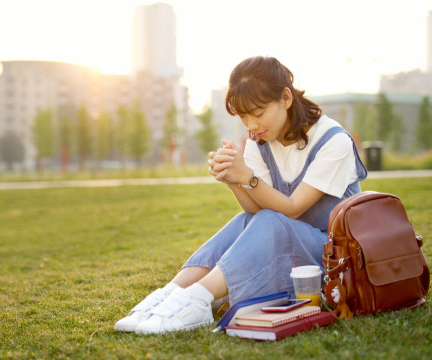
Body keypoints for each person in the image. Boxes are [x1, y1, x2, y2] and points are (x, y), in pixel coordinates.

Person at [114, 56, 367, 335]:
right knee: (244, 220)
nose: (252, 125)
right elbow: (257, 211)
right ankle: (171, 293)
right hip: (287, 249)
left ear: (285, 98)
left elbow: (292, 209)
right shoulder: (259, 142)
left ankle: (197, 299)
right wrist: (232, 179)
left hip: (330, 259)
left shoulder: (332, 141)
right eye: (243, 116)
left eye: (257, 113)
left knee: (273, 221)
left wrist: (247, 176)